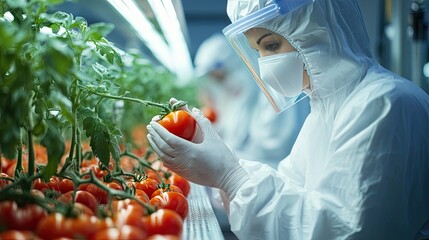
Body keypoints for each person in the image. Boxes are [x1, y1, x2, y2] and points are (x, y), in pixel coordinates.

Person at [146, 0, 429, 239]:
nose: (264, 65)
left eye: (271, 45)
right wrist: (222, 168)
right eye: (257, 51)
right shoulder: (326, 109)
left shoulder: (383, 104)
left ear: (318, 30)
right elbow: (291, 189)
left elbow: (343, 230)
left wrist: (230, 177)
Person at [194, 33, 309, 169]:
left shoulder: (275, 94)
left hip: (276, 172)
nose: (224, 83)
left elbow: (271, 147)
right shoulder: (240, 96)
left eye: (271, 46)